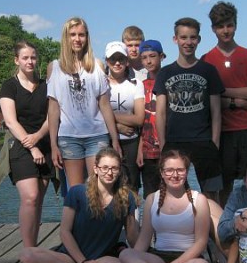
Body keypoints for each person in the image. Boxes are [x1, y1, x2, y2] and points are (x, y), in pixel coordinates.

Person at [20, 147, 139, 263]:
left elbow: (132, 235)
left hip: (102, 259)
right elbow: (65, 232)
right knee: (26, 256)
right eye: (105, 168)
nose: (109, 172)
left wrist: (142, 257)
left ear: (119, 171)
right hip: (70, 257)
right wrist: (83, 262)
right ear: (96, 169)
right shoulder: (77, 192)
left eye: (114, 168)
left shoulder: (126, 197)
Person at [117, 150, 212, 263]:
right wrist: (133, 261)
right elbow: (144, 239)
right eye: (169, 170)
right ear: (162, 173)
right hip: (158, 258)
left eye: (180, 170)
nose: (175, 175)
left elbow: (201, 243)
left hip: (188, 260)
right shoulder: (151, 199)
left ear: (186, 172)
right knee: (126, 254)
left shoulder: (199, 200)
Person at [202, 1, 247, 207]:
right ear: (213, 29)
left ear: (236, 25)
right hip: (222, 132)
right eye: (220, 26)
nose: (226, 30)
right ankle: (224, 223)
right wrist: (235, 101)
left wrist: (220, 91)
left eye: (229, 25)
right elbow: (206, 97)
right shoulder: (207, 60)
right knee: (223, 185)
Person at [154, 17, 223, 202]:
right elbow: (160, 113)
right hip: (174, 141)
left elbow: (216, 112)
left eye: (193, 37)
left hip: (204, 140)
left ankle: (212, 222)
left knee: (211, 195)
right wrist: (163, 145)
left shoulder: (208, 71)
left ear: (198, 39)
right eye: (183, 37)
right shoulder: (165, 73)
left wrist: (214, 143)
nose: (188, 42)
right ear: (175, 39)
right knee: (172, 193)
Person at [47, 17, 121, 189]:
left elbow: (104, 105)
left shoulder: (97, 66)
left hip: (97, 135)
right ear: (65, 37)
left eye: (81, 35)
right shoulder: (54, 67)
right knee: (76, 190)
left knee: (98, 188)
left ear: (87, 37)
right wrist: (53, 144)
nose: (77, 39)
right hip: (69, 137)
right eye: (72, 34)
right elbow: (53, 109)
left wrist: (115, 139)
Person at [0, 40, 56, 248]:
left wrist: (38, 137)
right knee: (30, 197)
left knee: (38, 201)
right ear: (17, 60)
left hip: (44, 144)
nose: (30, 61)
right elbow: (10, 121)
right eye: (25, 58)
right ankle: (28, 250)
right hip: (21, 147)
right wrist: (31, 146)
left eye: (33, 57)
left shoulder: (46, 86)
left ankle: (34, 247)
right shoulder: (9, 86)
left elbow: (52, 116)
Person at [105, 41, 145, 192]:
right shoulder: (101, 83)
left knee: (131, 185)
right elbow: (95, 115)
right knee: (109, 184)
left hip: (131, 141)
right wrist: (117, 127)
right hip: (107, 139)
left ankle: (132, 209)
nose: (117, 63)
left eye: (121, 59)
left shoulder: (136, 84)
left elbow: (139, 119)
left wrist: (110, 115)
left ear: (127, 61)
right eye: (113, 59)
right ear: (107, 61)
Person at [136, 39, 165, 198]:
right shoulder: (141, 85)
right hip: (147, 151)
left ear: (162, 56)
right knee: (150, 196)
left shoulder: (169, 80)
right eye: (144, 57)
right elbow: (141, 121)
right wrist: (140, 149)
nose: (148, 61)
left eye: (152, 56)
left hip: (167, 148)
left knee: (171, 192)